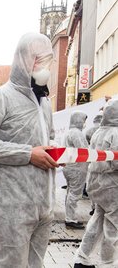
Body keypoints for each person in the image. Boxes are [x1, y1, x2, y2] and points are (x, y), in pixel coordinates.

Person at [0, 32, 59, 267]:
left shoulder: (44, 103)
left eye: (47, 61)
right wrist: (29, 154)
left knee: (36, 264)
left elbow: (47, 138)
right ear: (23, 60)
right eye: (38, 61)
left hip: (43, 207)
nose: (44, 68)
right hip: (12, 208)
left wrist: (55, 153)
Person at [74, 99, 118, 268]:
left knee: (97, 218)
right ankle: (108, 262)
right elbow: (116, 162)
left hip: (96, 183)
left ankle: (82, 257)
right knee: (113, 223)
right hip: (112, 185)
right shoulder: (116, 133)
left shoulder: (99, 131)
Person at [62, 111, 89, 230]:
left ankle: (69, 217)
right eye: (83, 120)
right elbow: (84, 151)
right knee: (74, 194)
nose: (84, 123)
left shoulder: (68, 132)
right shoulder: (77, 133)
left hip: (69, 167)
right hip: (77, 167)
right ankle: (70, 219)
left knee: (70, 193)